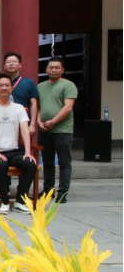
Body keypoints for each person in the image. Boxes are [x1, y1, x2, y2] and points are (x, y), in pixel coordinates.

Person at [0, 75, 38, 215]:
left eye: (7, 85)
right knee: (0, 164)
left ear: (12, 88)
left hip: (15, 151)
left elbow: (25, 130)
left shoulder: (19, 108)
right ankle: (5, 202)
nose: (4, 88)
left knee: (30, 163)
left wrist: (28, 152)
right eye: (1, 85)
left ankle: (20, 201)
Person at [38, 57, 78, 204]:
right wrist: (39, 121)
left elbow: (68, 107)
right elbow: (38, 107)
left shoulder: (68, 85)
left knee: (64, 162)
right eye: (51, 67)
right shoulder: (41, 86)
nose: (53, 70)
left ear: (62, 70)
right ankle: (48, 190)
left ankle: (62, 192)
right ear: (46, 69)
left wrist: (53, 121)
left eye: (57, 67)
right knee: (47, 162)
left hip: (63, 130)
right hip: (45, 129)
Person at [3, 52, 40, 137]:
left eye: (14, 61)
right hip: (3, 121)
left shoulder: (29, 82)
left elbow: (34, 104)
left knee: (24, 144)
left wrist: (32, 125)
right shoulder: (0, 83)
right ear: (4, 66)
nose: (11, 64)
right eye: (8, 62)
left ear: (20, 65)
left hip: (23, 121)